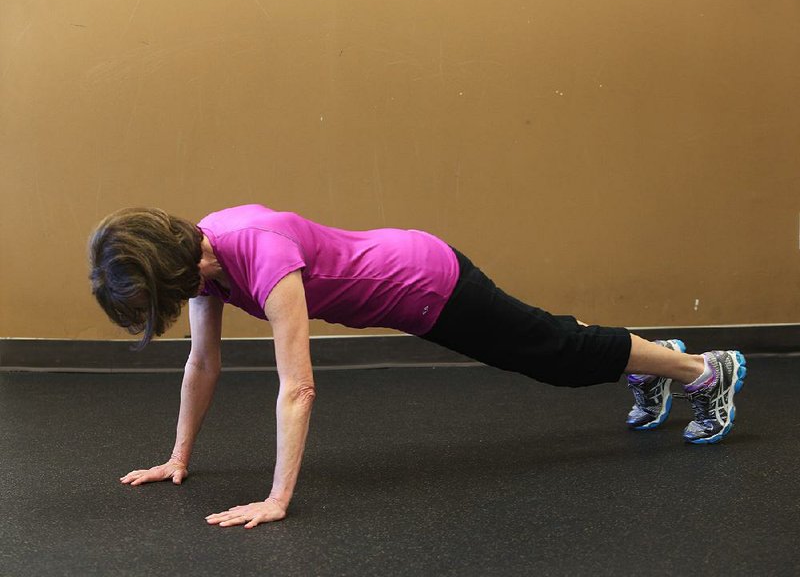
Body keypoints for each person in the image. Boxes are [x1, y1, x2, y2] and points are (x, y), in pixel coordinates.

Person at [88, 204, 747, 529]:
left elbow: (299, 388)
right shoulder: (205, 264)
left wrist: (277, 499)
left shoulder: (261, 257)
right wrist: (177, 457)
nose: (167, 308)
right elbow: (203, 362)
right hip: (412, 283)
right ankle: (661, 363)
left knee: (559, 357)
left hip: (428, 284)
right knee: (559, 349)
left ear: (170, 271)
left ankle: (704, 371)